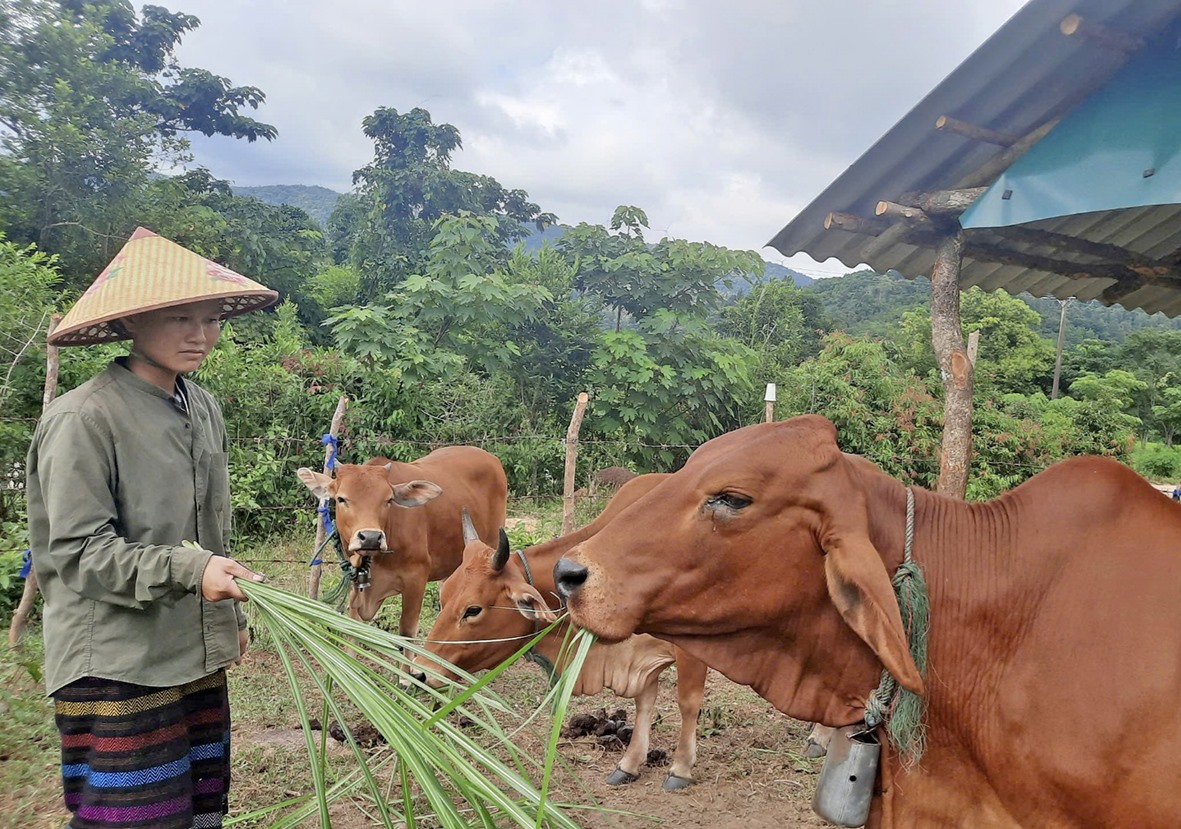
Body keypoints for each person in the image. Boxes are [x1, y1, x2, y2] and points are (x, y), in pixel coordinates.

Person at [26, 227, 278, 829]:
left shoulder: (203, 406)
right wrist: (193, 571)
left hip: (191, 654)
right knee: (135, 818)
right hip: (118, 661)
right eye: (181, 318)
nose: (201, 335)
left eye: (213, 318)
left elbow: (210, 531)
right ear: (132, 323)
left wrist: (228, 619)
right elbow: (78, 553)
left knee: (200, 809)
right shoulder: (85, 418)